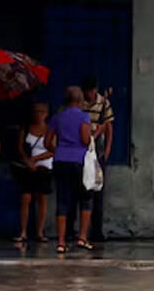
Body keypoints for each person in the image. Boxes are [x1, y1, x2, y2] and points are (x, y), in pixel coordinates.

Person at [48, 87, 94, 253]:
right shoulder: (84, 116)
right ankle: (82, 237)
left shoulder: (57, 117)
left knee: (62, 200)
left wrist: (59, 150)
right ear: (80, 99)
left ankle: (61, 242)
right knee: (85, 198)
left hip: (60, 160)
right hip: (79, 161)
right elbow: (85, 139)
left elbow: (47, 141)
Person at [15, 102, 54, 244]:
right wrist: (27, 160)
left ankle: (40, 232)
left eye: (42, 112)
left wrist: (35, 159)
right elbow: (20, 147)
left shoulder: (50, 130)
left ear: (46, 114)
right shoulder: (25, 128)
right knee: (25, 198)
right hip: (27, 168)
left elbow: (52, 150)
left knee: (42, 199)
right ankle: (23, 231)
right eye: (36, 111)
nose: (38, 115)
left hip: (44, 167)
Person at [81, 76, 113, 243]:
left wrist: (106, 152)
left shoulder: (103, 103)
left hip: (98, 152)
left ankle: (97, 230)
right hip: (82, 149)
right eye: (88, 91)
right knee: (81, 191)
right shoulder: (79, 104)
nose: (90, 94)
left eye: (93, 91)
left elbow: (108, 127)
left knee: (98, 192)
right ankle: (79, 231)